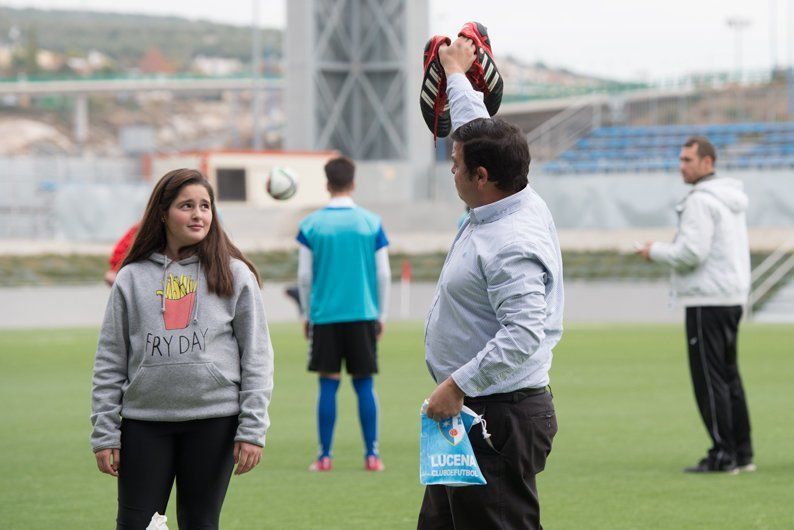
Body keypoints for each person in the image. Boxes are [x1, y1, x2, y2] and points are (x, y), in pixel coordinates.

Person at [418, 37, 563, 530]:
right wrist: (456, 72)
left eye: (455, 166)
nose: (451, 171)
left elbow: (523, 333)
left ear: (481, 176)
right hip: (470, 413)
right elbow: (473, 128)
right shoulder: (508, 190)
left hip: (496, 416)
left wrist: (457, 385)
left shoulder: (511, 240)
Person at [90, 168, 274, 529]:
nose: (198, 214)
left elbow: (257, 355)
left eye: (205, 206)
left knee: (199, 523)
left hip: (214, 421)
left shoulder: (234, 274)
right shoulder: (132, 277)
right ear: (162, 212)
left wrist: (253, 428)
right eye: (186, 205)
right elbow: (110, 360)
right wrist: (105, 432)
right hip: (145, 422)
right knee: (135, 525)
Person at [636, 136, 754, 474]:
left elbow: (691, 253)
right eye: (681, 159)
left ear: (707, 162)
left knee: (710, 378)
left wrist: (653, 250)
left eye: (688, 160)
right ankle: (742, 452)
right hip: (730, 296)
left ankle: (723, 454)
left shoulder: (701, 201)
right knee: (729, 377)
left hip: (707, 299)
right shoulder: (729, 197)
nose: (681, 166)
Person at [296, 155, 391, 472]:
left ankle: (324, 457)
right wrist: (381, 314)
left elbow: (304, 277)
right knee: (364, 383)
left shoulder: (311, 225)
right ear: (353, 183)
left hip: (325, 315)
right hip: (363, 313)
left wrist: (307, 314)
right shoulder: (371, 222)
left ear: (327, 184)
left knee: (328, 383)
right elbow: (383, 274)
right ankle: (372, 455)